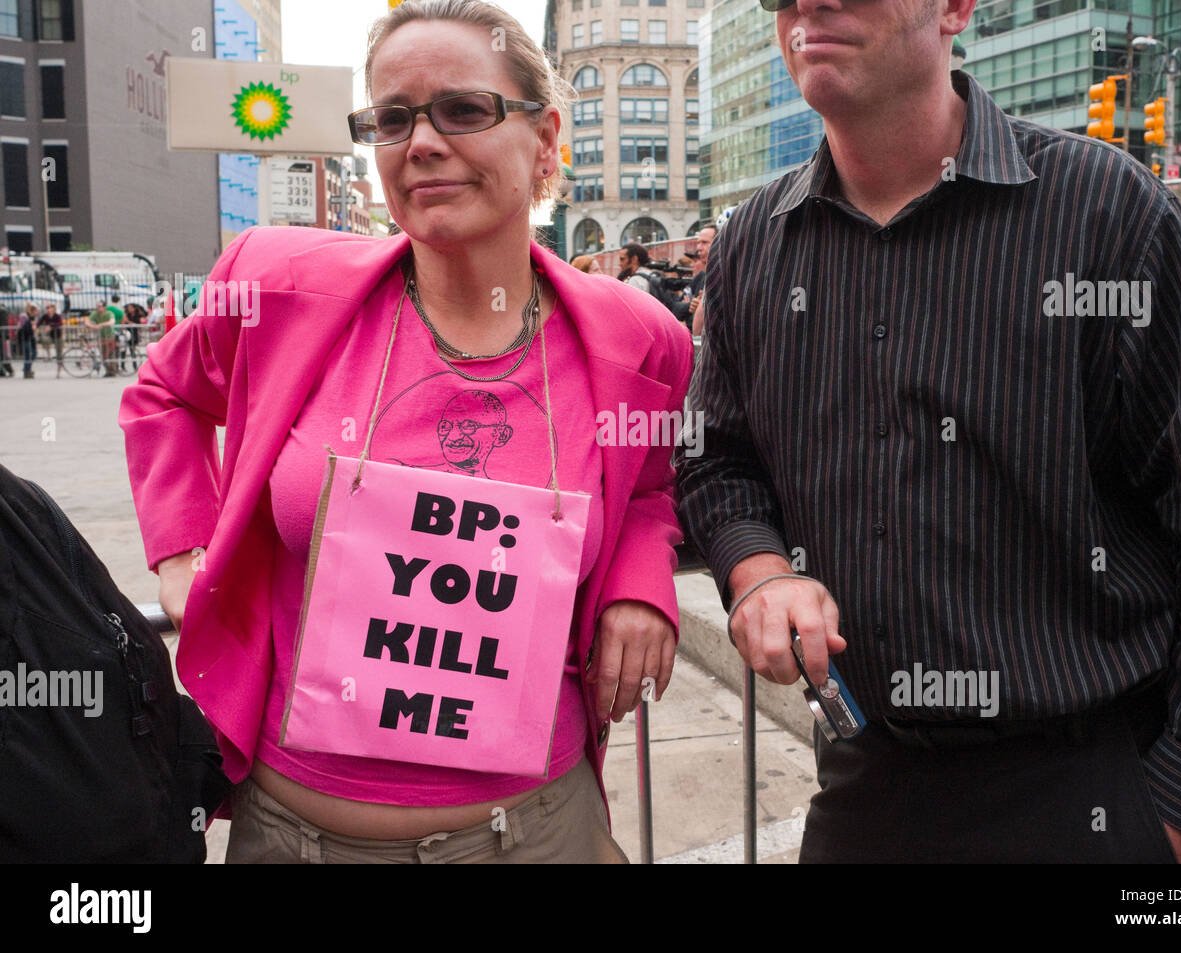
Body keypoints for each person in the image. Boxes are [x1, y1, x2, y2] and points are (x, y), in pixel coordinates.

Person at [677, 0, 1181, 864]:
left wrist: (1171, 830)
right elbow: (717, 460)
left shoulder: (1108, 212)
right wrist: (759, 569)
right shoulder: (752, 245)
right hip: (865, 786)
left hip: (1086, 793)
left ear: (957, 8)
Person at [120, 0, 692, 865]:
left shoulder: (639, 338)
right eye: (392, 118)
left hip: (537, 834)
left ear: (545, 140)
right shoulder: (276, 286)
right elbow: (163, 392)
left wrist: (642, 583)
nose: (422, 141)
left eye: (464, 109)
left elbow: (653, 485)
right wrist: (181, 552)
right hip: (291, 834)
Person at [688, 225, 716, 336]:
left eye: (704, 242)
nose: (699, 248)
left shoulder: (727, 273)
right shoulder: (702, 277)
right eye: (698, 243)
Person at [87, 301, 117, 376]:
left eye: (100, 306)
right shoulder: (95, 313)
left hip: (110, 336)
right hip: (101, 337)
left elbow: (112, 322)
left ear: (104, 307)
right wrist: (93, 326)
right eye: (97, 306)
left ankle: (112, 371)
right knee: (103, 355)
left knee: (110, 354)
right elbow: (87, 321)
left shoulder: (109, 313)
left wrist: (100, 324)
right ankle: (108, 370)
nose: (98, 307)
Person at [38, 303, 63, 378]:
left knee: (59, 354)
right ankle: (49, 355)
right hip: (50, 336)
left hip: (58, 336)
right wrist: (35, 326)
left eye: (50, 307)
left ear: (53, 308)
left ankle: (58, 372)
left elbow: (60, 323)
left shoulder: (57, 316)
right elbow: (39, 322)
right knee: (43, 339)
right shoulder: (45, 316)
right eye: (47, 308)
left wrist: (50, 326)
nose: (48, 309)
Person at [16, 304, 37, 379]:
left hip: (30, 338)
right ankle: (26, 370)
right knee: (28, 355)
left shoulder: (31, 317)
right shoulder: (24, 316)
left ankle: (27, 369)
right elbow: (24, 328)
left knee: (31, 354)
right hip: (25, 338)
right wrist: (32, 327)